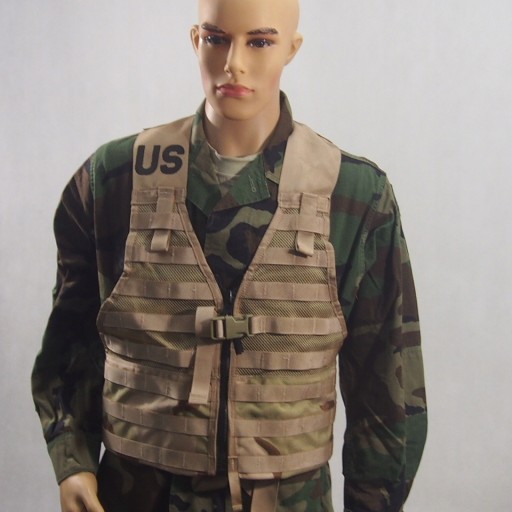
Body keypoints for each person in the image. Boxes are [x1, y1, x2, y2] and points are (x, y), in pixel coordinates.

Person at [31, 0, 427, 511]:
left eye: (260, 41)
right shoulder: (113, 179)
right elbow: (70, 343)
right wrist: (73, 459)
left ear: (291, 48)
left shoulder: (353, 195)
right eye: (217, 39)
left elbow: (388, 387)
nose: (234, 63)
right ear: (195, 39)